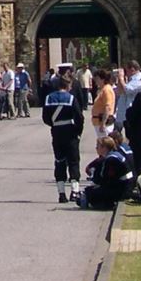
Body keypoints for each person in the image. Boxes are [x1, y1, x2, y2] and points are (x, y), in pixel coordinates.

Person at [42, 73, 84, 203]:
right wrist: (78, 132)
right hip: (70, 132)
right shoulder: (71, 98)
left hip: (56, 131)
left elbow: (45, 118)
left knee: (59, 161)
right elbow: (79, 117)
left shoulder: (49, 98)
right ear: (68, 85)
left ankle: (61, 193)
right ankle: (75, 191)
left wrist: (54, 125)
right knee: (73, 161)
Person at [79, 136, 133, 210]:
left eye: (98, 146)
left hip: (122, 190)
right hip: (122, 186)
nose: (96, 148)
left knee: (89, 193)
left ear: (104, 148)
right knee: (92, 190)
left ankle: (106, 203)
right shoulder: (111, 156)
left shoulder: (112, 160)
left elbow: (108, 179)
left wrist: (96, 186)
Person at [89, 68, 116, 138]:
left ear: (102, 79)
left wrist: (103, 123)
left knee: (105, 142)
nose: (95, 81)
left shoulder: (107, 90)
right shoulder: (102, 89)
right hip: (98, 121)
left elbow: (108, 107)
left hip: (103, 122)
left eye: (97, 79)